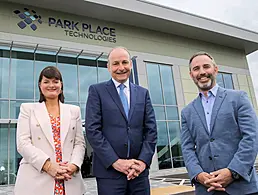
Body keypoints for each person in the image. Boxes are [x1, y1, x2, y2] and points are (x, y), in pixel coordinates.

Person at [180, 52, 258, 195]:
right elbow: (187, 148)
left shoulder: (238, 98)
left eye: (206, 67)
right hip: (206, 188)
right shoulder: (187, 112)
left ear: (215, 69)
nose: (202, 72)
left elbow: (251, 138)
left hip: (241, 188)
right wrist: (198, 175)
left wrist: (232, 172)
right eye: (196, 69)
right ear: (191, 74)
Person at [85, 47, 157, 195]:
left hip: (139, 174)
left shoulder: (143, 93)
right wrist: (116, 162)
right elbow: (93, 130)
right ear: (108, 67)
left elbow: (151, 130)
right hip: (109, 174)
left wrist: (142, 162)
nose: (121, 68)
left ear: (130, 64)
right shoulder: (97, 91)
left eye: (124, 62)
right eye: (116, 63)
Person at [14, 66, 86, 195]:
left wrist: (73, 166)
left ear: (61, 85)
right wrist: (48, 166)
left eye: (55, 81)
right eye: (46, 82)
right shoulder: (28, 109)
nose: (51, 85)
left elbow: (79, 143)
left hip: (68, 179)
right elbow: (23, 143)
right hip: (36, 179)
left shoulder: (74, 111)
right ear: (40, 85)